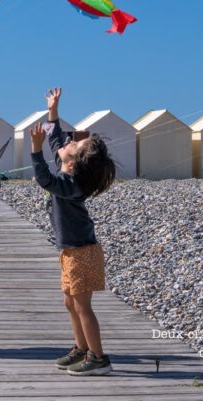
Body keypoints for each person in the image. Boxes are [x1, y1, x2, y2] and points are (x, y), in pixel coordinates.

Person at [29, 87, 116, 376]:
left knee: (82, 306)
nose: (68, 142)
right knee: (70, 302)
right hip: (73, 251)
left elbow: (43, 178)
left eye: (73, 145)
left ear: (72, 163)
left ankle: (98, 357)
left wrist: (34, 149)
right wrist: (53, 110)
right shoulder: (67, 173)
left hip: (82, 252)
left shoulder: (70, 185)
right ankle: (81, 349)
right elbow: (56, 137)